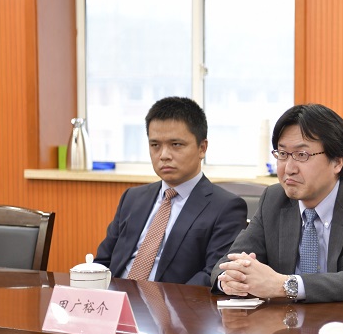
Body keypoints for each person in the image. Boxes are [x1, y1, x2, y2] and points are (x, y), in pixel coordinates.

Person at [211, 103, 343, 304]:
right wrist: (231, 280)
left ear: (338, 161)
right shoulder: (274, 199)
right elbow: (227, 263)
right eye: (282, 154)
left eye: (302, 155)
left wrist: (284, 285)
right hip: (289, 321)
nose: (289, 169)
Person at [96, 97, 247, 286]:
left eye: (176, 144)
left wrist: (156, 300)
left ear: (202, 148)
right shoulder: (132, 198)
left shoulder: (226, 207)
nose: (164, 155)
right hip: (117, 298)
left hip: (173, 302)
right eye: (155, 145)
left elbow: (213, 274)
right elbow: (103, 261)